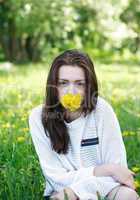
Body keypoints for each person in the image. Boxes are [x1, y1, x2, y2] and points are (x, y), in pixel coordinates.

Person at [28, 49, 140, 200]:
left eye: (79, 84)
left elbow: (118, 171)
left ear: (89, 86)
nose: (71, 91)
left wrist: (78, 190)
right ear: (53, 86)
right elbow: (56, 179)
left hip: (104, 188)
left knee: (129, 195)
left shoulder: (102, 110)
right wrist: (104, 170)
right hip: (62, 192)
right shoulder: (38, 117)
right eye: (63, 83)